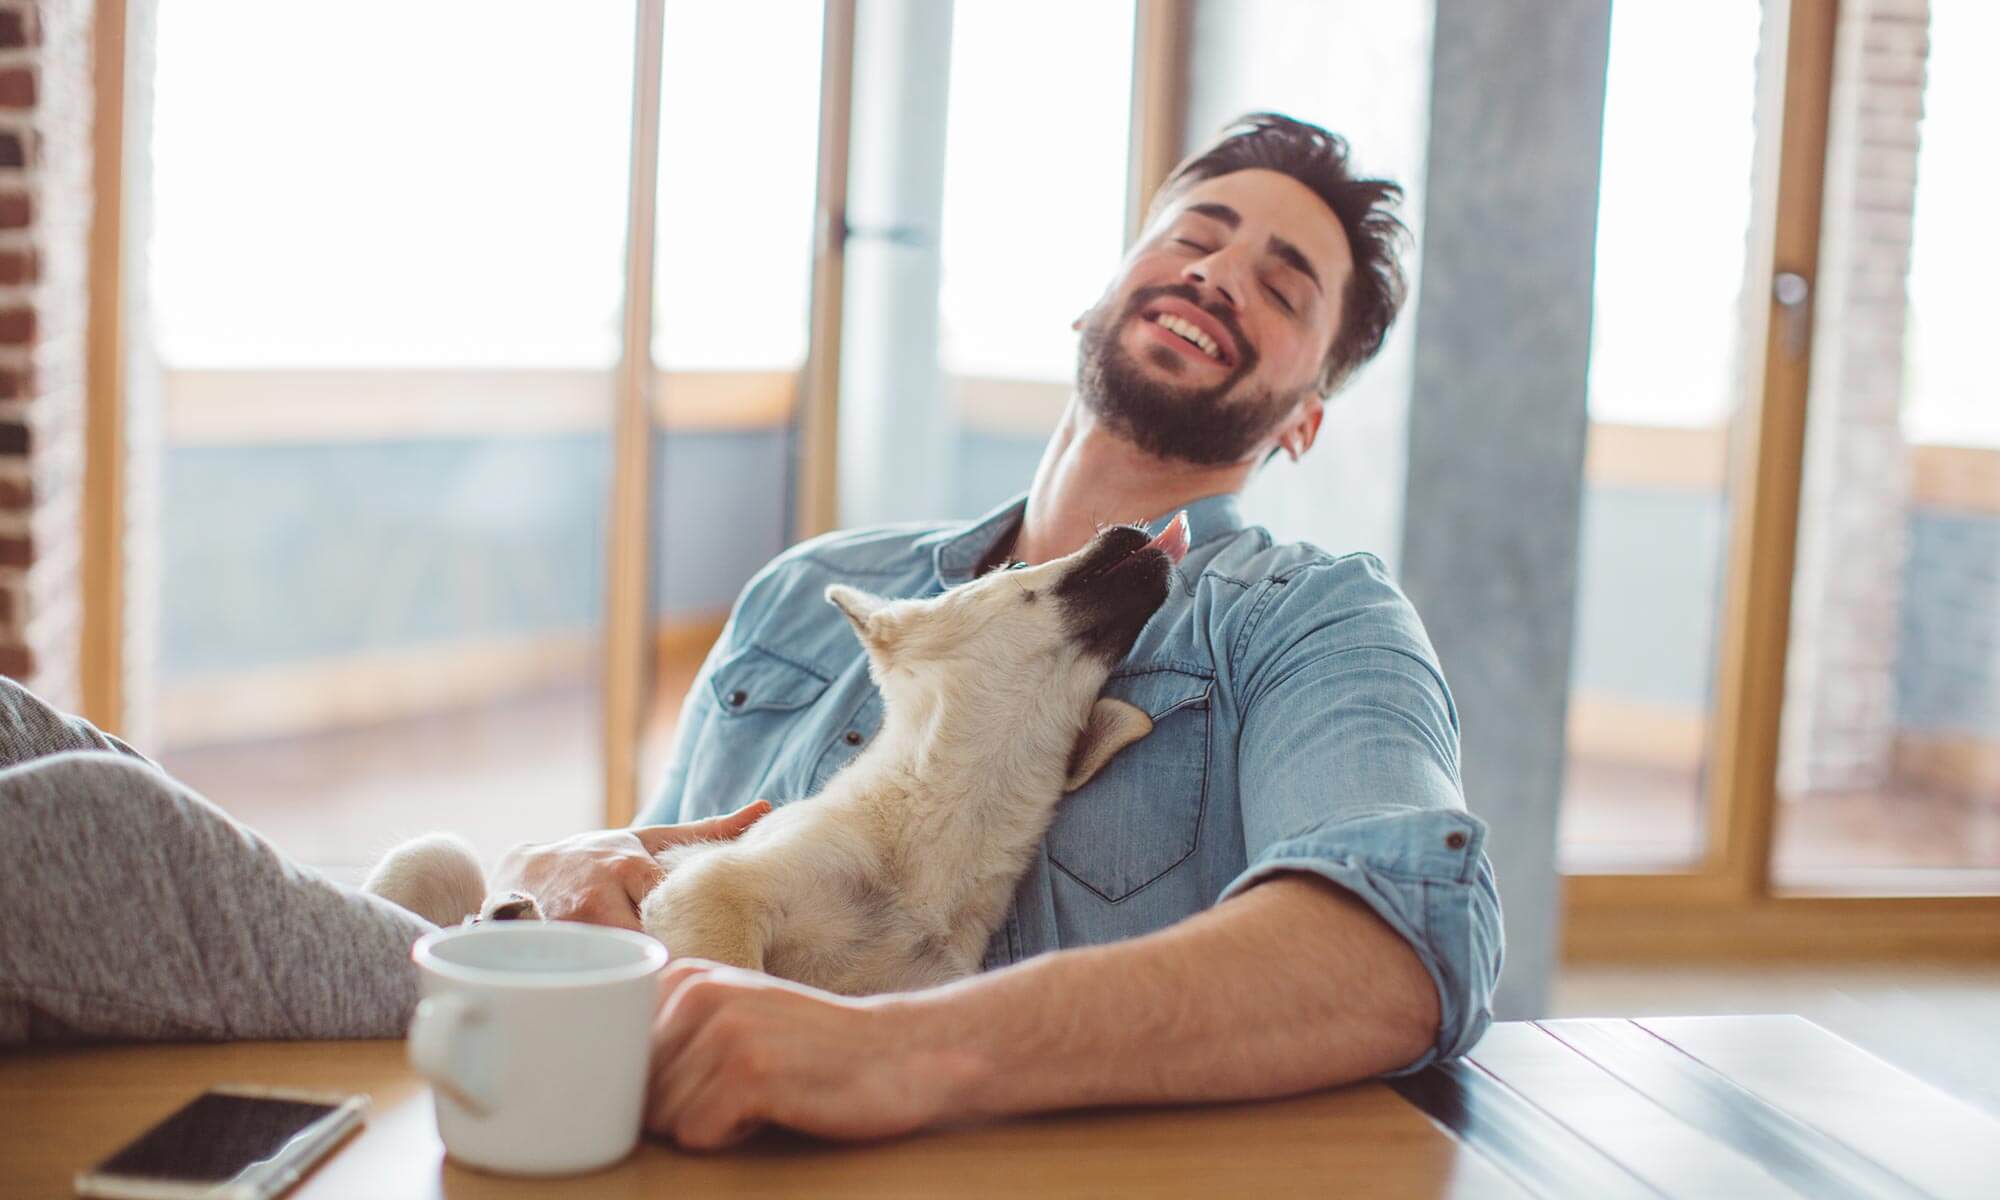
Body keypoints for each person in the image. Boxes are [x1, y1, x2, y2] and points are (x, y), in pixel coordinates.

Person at [0, 113, 1500, 1148]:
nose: (1219, 275)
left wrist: (899, 1055)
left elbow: (1392, 958)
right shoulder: (814, 589)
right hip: (562, 1059)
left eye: (1283, 283)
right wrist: (565, 871)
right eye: (1197, 234)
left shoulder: (1308, 622)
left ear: (1303, 420)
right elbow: (664, 911)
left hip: (816, 1136)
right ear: (1102, 292)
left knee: (92, 825)